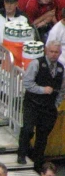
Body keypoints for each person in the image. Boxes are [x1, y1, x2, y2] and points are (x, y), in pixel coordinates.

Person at [16, 40, 65, 169]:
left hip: (49, 107)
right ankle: (21, 153)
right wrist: (43, 90)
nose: (54, 54)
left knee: (43, 136)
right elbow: (27, 83)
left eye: (56, 52)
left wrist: (56, 104)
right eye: (51, 51)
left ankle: (37, 162)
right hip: (32, 103)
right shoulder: (37, 63)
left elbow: (62, 89)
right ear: (46, 51)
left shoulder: (61, 68)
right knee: (27, 129)